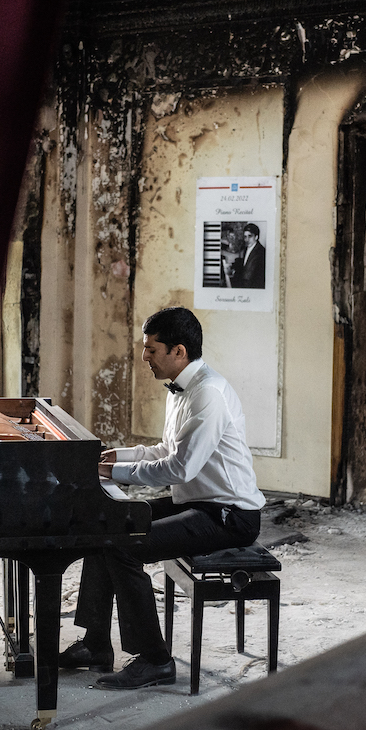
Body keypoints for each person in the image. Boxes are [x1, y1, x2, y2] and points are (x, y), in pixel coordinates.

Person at [58, 306, 265, 689]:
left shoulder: (209, 395)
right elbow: (166, 450)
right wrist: (119, 456)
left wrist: (116, 473)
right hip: (197, 501)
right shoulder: (182, 388)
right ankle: (96, 645)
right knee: (108, 523)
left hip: (229, 515)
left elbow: (179, 469)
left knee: (125, 547)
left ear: (179, 352)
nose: (144, 357)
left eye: (152, 349)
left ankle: (155, 659)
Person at [229, 222, 266, 289]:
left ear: (256, 237)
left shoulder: (261, 252)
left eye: (250, 236)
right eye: (245, 236)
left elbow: (251, 277)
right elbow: (244, 265)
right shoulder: (247, 248)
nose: (246, 239)